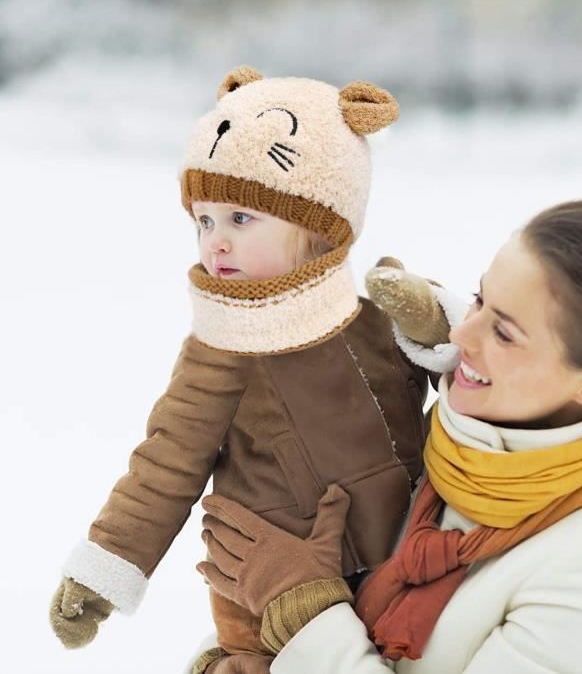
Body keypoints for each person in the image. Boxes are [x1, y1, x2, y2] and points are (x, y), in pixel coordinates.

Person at [48, 66, 461, 674]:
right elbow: (165, 464)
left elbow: (469, 374)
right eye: (204, 221)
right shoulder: (219, 352)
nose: (214, 241)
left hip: (401, 552)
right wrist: (107, 566)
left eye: (241, 219)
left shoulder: (373, 319)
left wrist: (433, 324)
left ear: (319, 227)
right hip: (269, 574)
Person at [196, 200, 582, 674]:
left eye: (503, 333)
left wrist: (304, 610)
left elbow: (307, 612)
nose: (463, 335)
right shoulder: (429, 443)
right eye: (480, 299)